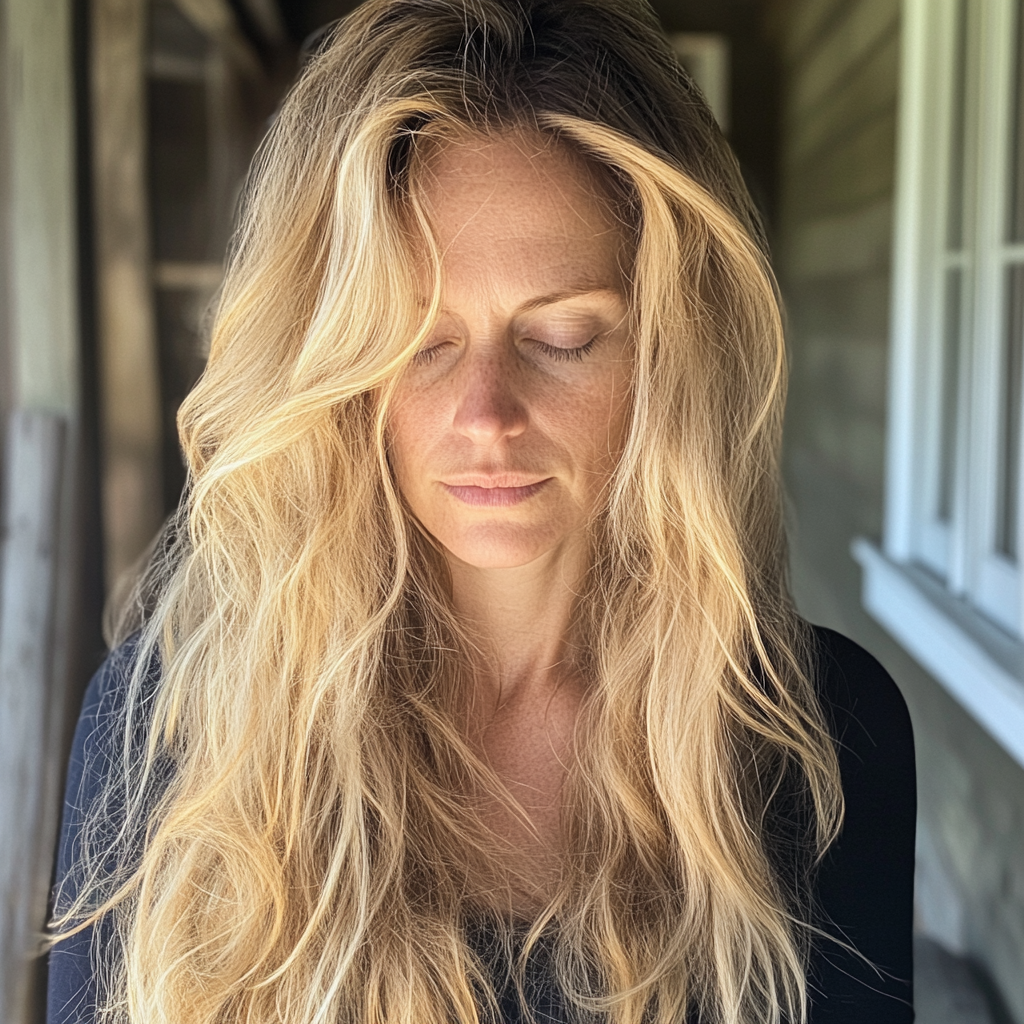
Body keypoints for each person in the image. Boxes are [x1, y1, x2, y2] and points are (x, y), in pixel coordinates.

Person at [46, 1, 916, 1022]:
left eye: (561, 336)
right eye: (416, 342)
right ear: (334, 372)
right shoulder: (173, 736)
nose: (485, 416)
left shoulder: (821, 739)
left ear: (668, 357)